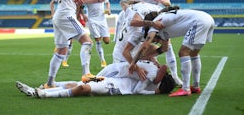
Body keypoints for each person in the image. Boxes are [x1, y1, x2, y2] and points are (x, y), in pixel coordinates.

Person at [43, 0, 112, 88]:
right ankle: (86, 74)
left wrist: (99, 0)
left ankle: (50, 83)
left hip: (60, 17)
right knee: (87, 41)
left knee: (61, 50)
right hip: (66, 15)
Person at [129, 6, 215, 97]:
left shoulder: (156, 24)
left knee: (183, 53)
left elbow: (145, 45)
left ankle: (185, 89)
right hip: (208, 19)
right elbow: (164, 48)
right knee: (194, 54)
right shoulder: (165, 21)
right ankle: (196, 86)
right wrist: (150, 57)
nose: (155, 42)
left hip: (199, 22)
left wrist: (133, 63)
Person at [16, 61, 176, 98]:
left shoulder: (152, 76)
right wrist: (155, 92)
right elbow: (137, 90)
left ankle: (44, 90)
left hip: (114, 83)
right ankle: (44, 93)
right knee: (84, 87)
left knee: (82, 85)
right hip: (114, 83)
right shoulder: (151, 80)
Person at [130, 0, 182, 86]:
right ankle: (144, 70)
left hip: (157, 21)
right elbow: (131, 9)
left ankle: (174, 75)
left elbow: (168, 3)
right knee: (141, 47)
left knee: (167, 45)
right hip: (143, 24)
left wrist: (161, 1)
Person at [82, 0, 111, 68]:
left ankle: (99, 36)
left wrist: (108, 9)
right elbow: (80, 7)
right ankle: (103, 60)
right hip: (92, 20)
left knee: (107, 41)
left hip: (102, 19)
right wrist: (83, 15)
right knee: (98, 40)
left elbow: (107, 2)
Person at [50, 0, 73, 67]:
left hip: (71, 18)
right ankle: (59, 52)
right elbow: (52, 3)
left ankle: (65, 61)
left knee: (70, 40)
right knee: (64, 41)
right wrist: (53, 13)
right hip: (60, 18)